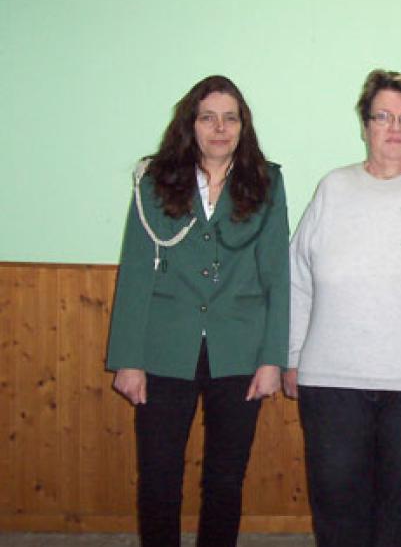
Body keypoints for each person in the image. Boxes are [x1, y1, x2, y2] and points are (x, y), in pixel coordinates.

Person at [285, 68, 401, 547]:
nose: (394, 128)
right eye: (383, 117)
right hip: (332, 382)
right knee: (337, 513)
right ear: (365, 124)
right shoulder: (333, 188)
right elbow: (298, 280)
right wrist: (291, 357)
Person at [106, 75, 289, 547]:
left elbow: (276, 275)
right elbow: (136, 271)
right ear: (191, 124)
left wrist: (273, 358)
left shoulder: (267, 182)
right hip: (165, 348)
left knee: (226, 481)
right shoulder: (155, 180)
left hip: (239, 350)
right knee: (159, 479)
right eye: (208, 117)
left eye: (230, 118)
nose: (220, 128)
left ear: (242, 126)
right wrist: (128, 357)